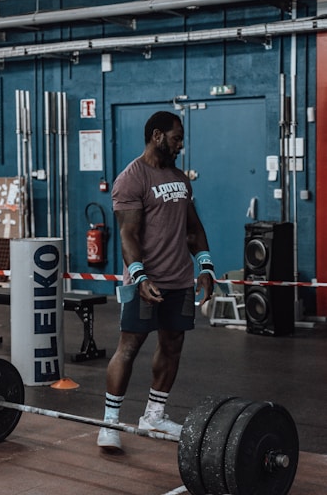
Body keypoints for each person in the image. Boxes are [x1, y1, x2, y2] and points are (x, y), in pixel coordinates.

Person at [97, 110, 214, 451]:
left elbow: (193, 229)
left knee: (172, 344)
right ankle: (109, 423)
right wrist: (139, 275)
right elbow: (128, 234)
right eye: (177, 137)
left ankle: (154, 416)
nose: (181, 144)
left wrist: (205, 266)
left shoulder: (180, 178)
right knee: (129, 347)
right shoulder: (131, 179)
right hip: (145, 280)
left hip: (179, 279)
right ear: (157, 136)